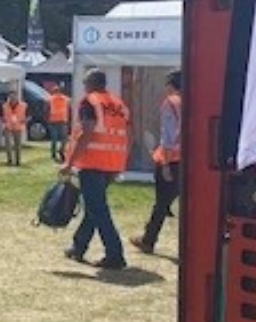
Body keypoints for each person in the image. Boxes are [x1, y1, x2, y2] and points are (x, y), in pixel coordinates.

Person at [61, 69, 131, 269]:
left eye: (85, 83)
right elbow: (128, 134)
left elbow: (87, 131)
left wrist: (70, 162)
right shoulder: (118, 104)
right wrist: (122, 162)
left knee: (98, 209)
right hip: (112, 162)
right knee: (94, 207)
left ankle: (115, 254)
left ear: (90, 83)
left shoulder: (90, 102)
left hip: (93, 162)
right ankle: (79, 246)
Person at [132, 70, 182, 255]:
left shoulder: (170, 103)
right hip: (187, 161)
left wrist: (167, 163)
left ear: (171, 85)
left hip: (170, 159)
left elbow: (169, 135)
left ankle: (148, 240)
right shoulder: (192, 101)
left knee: (161, 203)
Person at [2, 91, 27, 167]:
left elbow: (29, 115)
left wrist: (25, 120)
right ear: (8, 97)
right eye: (11, 97)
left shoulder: (23, 105)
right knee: (8, 145)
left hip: (18, 127)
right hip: (8, 127)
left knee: (18, 145)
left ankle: (18, 161)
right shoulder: (4, 106)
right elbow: (1, 115)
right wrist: (4, 122)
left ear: (17, 97)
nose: (12, 98)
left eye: (14, 97)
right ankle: (9, 160)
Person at [47, 84, 71, 162]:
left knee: (54, 139)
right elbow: (70, 107)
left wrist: (47, 118)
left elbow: (47, 108)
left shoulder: (50, 99)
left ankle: (53, 154)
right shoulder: (66, 99)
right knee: (64, 138)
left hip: (53, 120)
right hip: (63, 120)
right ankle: (61, 150)